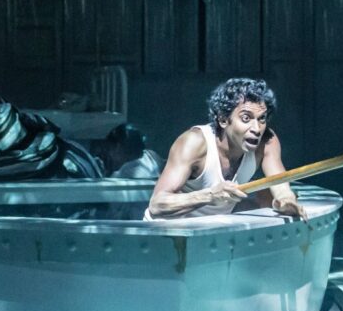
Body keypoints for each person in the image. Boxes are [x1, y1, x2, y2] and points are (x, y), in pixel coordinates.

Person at [146, 78, 306, 220]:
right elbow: (157, 204)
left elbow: (281, 188)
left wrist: (286, 201)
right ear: (223, 119)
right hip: (166, 234)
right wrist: (210, 195)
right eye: (246, 118)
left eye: (261, 118)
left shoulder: (267, 142)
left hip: (211, 233)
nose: (257, 128)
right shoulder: (194, 143)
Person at [92, 124, 165, 179]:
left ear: (117, 147)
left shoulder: (123, 175)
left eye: (109, 148)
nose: (107, 153)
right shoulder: (151, 156)